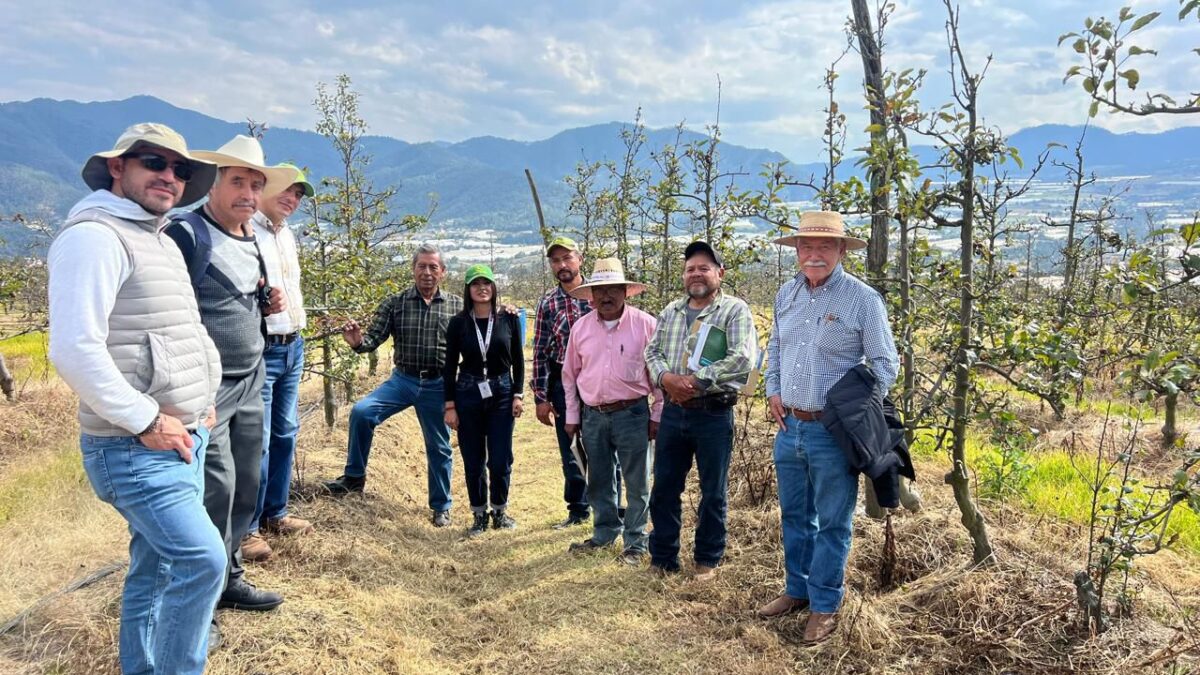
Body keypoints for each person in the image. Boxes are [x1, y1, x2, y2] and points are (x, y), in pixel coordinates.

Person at [48, 122, 225, 672]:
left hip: (179, 435)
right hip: (135, 445)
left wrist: (201, 398)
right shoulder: (95, 237)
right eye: (154, 162)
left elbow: (179, 329)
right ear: (117, 167)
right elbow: (74, 348)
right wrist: (147, 419)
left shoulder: (157, 237)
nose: (169, 175)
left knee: (157, 568)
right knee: (202, 561)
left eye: (180, 169)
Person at [165, 135, 294, 620]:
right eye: (238, 181)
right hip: (207, 389)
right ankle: (201, 600)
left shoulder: (249, 237)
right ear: (214, 183)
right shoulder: (186, 234)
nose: (247, 193)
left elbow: (239, 298)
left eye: (255, 185)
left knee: (246, 481)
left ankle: (229, 576)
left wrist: (265, 304)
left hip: (250, 377)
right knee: (214, 487)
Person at [757, 211, 899, 645]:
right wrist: (774, 389)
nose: (814, 254)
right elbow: (777, 346)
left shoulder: (862, 299)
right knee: (795, 515)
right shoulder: (787, 293)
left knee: (833, 522)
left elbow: (885, 365)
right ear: (797, 251)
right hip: (789, 426)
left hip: (831, 433)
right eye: (807, 246)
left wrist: (851, 410)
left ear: (841, 251)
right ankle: (797, 589)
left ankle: (824, 604)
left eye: (824, 246)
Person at [323, 244, 463, 528]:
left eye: (433, 267)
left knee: (439, 446)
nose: (427, 272)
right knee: (362, 412)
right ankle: (354, 477)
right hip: (403, 380)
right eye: (421, 266)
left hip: (438, 384)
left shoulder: (458, 306)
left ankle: (441, 506)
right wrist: (358, 343)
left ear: (443, 272)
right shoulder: (395, 303)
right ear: (413, 270)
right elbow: (373, 337)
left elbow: (480, 332)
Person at [644, 241, 757, 581]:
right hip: (673, 412)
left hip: (713, 413)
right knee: (664, 487)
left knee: (713, 491)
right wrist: (667, 379)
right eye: (690, 268)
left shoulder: (734, 310)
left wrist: (694, 381)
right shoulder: (671, 311)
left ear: (719, 273)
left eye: (704, 268)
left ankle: (707, 559)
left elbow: (742, 357)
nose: (696, 274)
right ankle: (663, 558)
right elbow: (652, 352)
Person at [561, 258, 662, 565]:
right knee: (599, 479)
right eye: (600, 290)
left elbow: (658, 374)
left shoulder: (645, 325)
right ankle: (604, 533)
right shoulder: (581, 328)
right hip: (592, 415)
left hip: (632, 414)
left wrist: (657, 414)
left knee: (637, 482)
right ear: (591, 294)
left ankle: (636, 542)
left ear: (625, 291)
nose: (606, 296)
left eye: (613, 289)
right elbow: (570, 375)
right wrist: (572, 416)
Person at [242, 163, 316, 563]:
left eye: (299, 194)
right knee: (258, 439)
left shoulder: (286, 235)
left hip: (293, 345)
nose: (293, 199)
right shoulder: (246, 231)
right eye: (287, 190)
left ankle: (276, 512)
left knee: (286, 433)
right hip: (264, 347)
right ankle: (247, 528)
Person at [442, 264, 525, 536]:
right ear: (468, 290)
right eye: (475, 284)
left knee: (500, 458)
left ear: (494, 287)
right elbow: (449, 366)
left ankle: (500, 511)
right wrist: (450, 405)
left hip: (502, 392)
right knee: (473, 459)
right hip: (468, 392)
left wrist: (518, 395)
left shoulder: (508, 319)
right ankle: (479, 514)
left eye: (486, 283)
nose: (482, 288)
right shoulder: (458, 323)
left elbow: (518, 360)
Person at [530, 236, 594, 528]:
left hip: (599, 379)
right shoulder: (548, 303)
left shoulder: (599, 293)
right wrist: (540, 397)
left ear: (580, 259)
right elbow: (540, 352)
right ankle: (578, 509)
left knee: (606, 444)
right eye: (556, 260)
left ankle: (612, 507)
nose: (562, 265)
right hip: (562, 382)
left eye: (567, 258)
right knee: (571, 447)